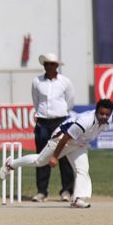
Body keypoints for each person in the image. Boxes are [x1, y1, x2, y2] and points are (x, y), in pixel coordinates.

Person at [0, 99, 113, 209]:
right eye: (101, 113)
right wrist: (54, 157)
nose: (104, 117)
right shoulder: (85, 121)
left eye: (107, 114)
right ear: (96, 111)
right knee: (40, 161)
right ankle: (10, 164)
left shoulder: (108, 120)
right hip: (61, 138)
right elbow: (66, 137)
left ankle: (78, 199)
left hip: (79, 144)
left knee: (82, 169)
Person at [30, 53, 75, 203]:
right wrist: (43, 113)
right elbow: (36, 101)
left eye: (51, 64)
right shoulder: (37, 81)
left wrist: (60, 113)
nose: (48, 66)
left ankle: (67, 191)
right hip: (43, 122)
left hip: (60, 121)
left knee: (64, 156)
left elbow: (70, 101)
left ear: (56, 66)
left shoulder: (65, 82)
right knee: (42, 156)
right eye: (46, 64)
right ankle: (42, 191)